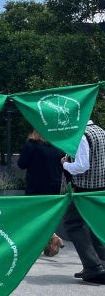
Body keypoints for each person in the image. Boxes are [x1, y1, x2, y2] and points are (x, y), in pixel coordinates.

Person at [61, 120, 105, 284]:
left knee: (72, 223)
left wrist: (65, 164)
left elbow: (82, 166)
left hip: (85, 189)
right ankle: (101, 264)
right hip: (101, 188)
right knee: (96, 226)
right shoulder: (101, 131)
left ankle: (93, 266)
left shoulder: (82, 135)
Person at [17, 129, 66, 256]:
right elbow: (64, 165)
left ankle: (52, 238)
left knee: (33, 216)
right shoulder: (58, 145)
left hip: (35, 186)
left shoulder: (31, 144)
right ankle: (48, 244)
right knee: (48, 215)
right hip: (54, 185)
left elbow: (21, 164)